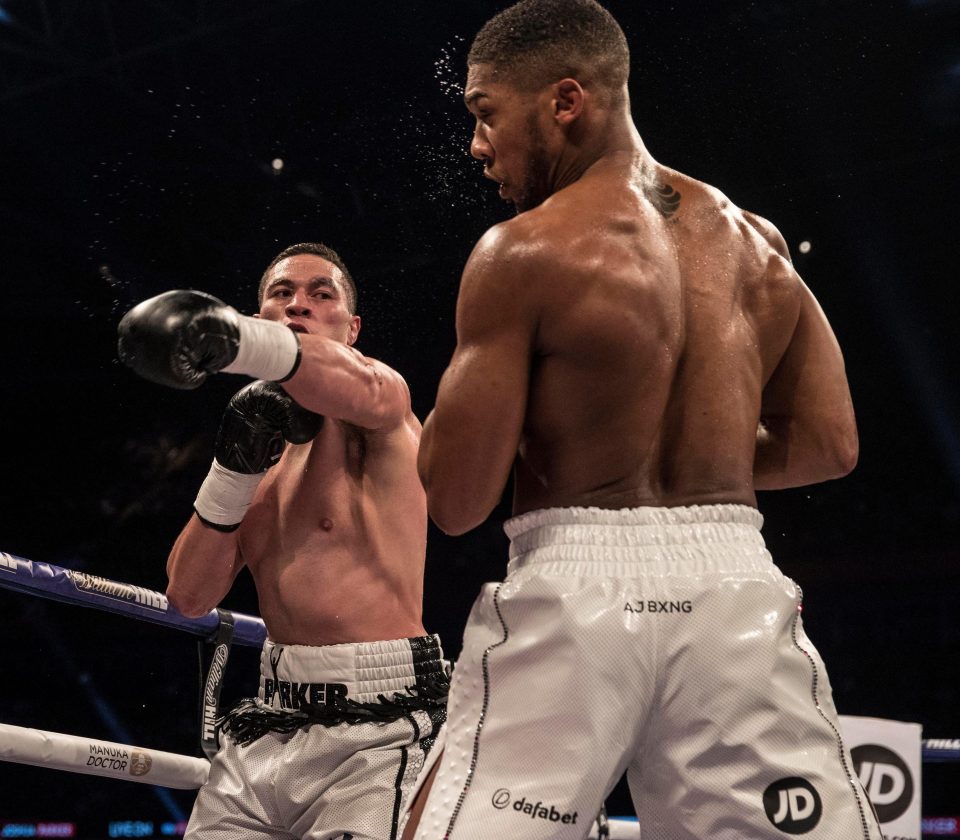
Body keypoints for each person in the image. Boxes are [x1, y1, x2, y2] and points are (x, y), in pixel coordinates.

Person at [403, 2, 882, 838]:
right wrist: (710, 462)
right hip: (737, 585)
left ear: (564, 101)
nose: (477, 147)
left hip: (576, 588)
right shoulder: (758, 244)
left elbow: (456, 501)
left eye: (485, 114)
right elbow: (828, 444)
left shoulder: (522, 251)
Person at [117, 242, 447, 840]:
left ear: (351, 328)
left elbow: (356, 385)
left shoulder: (381, 409)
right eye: (281, 294)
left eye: (322, 295)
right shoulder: (258, 444)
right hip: (270, 716)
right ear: (261, 312)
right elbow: (189, 597)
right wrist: (231, 471)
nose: (299, 305)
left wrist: (243, 344)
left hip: (381, 726)